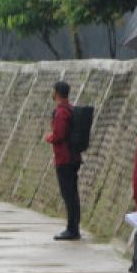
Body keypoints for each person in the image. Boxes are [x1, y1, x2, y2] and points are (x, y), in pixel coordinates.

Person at [43, 81, 81, 240]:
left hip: (64, 159)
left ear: (57, 93)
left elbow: (59, 135)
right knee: (73, 194)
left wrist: (49, 137)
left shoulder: (61, 113)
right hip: (73, 157)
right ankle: (74, 227)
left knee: (68, 195)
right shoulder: (71, 110)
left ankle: (71, 229)